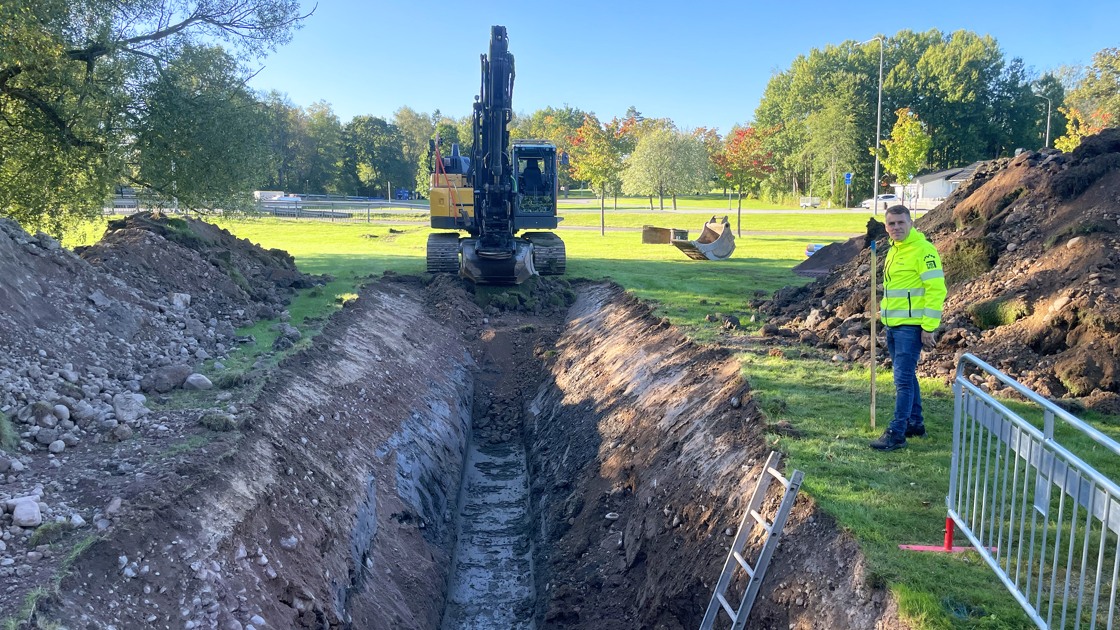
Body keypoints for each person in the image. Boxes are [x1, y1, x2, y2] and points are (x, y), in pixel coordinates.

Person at [870, 205, 946, 451]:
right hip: (893, 325)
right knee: (908, 377)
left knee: (902, 380)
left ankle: (897, 432)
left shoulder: (924, 251)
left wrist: (929, 327)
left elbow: (937, 290)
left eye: (901, 223)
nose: (896, 228)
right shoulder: (894, 250)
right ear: (886, 227)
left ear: (911, 223)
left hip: (911, 328)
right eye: (891, 224)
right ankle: (915, 423)